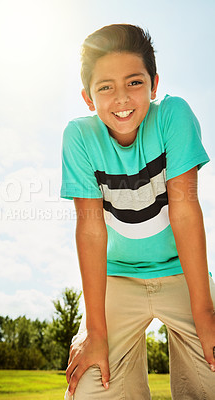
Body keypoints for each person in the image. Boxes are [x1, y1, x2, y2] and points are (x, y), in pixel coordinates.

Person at [60, 24, 215, 399]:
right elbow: (92, 229)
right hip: (117, 279)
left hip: (181, 272)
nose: (121, 98)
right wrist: (95, 331)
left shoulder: (173, 115)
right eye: (105, 87)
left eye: (134, 82)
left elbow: (184, 208)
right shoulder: (79, 137)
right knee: (90, 388)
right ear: (88, 98)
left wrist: (206, 314)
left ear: (153, 84)